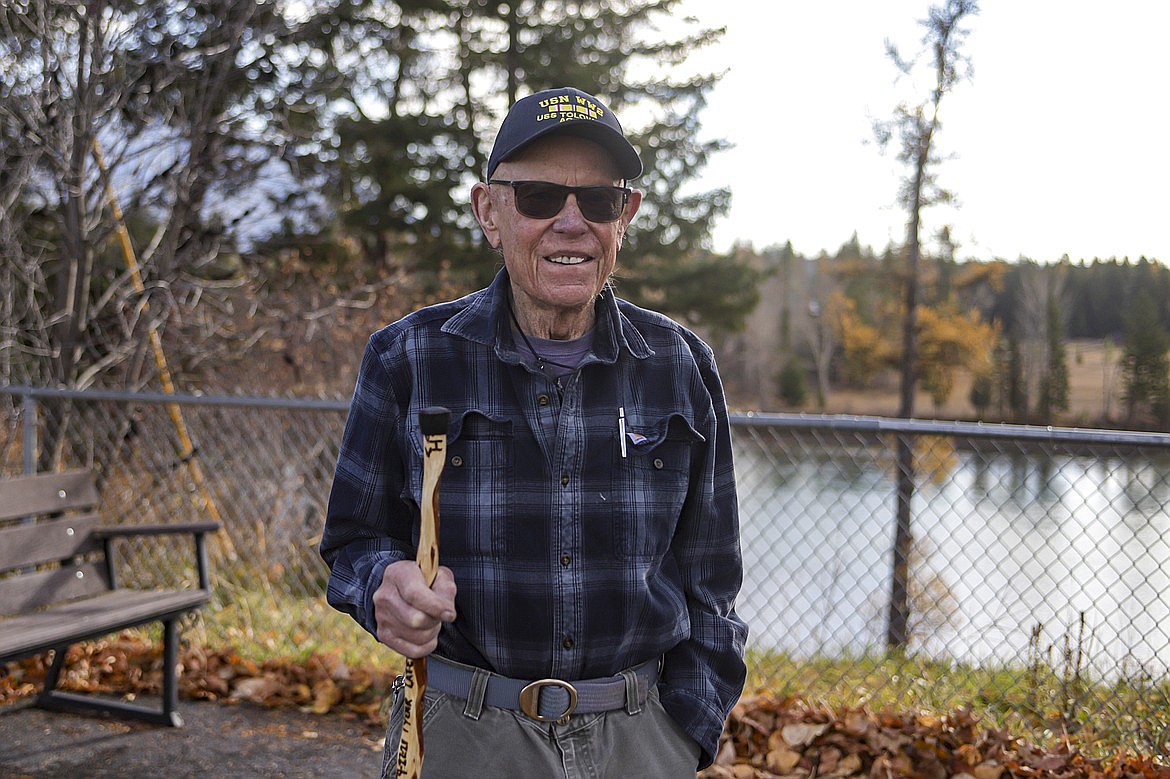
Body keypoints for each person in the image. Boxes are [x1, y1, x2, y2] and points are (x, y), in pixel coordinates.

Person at [320, 85, 747, 778]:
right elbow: (352, 541)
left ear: (626, 215)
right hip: (461, 735)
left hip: (641, 741)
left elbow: (713, 580)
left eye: (599, 201)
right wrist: (381, 584)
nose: (571, 222)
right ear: (489, 211)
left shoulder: (681, 365)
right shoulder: (408, 356)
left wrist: (686, 732)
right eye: (540, 197)